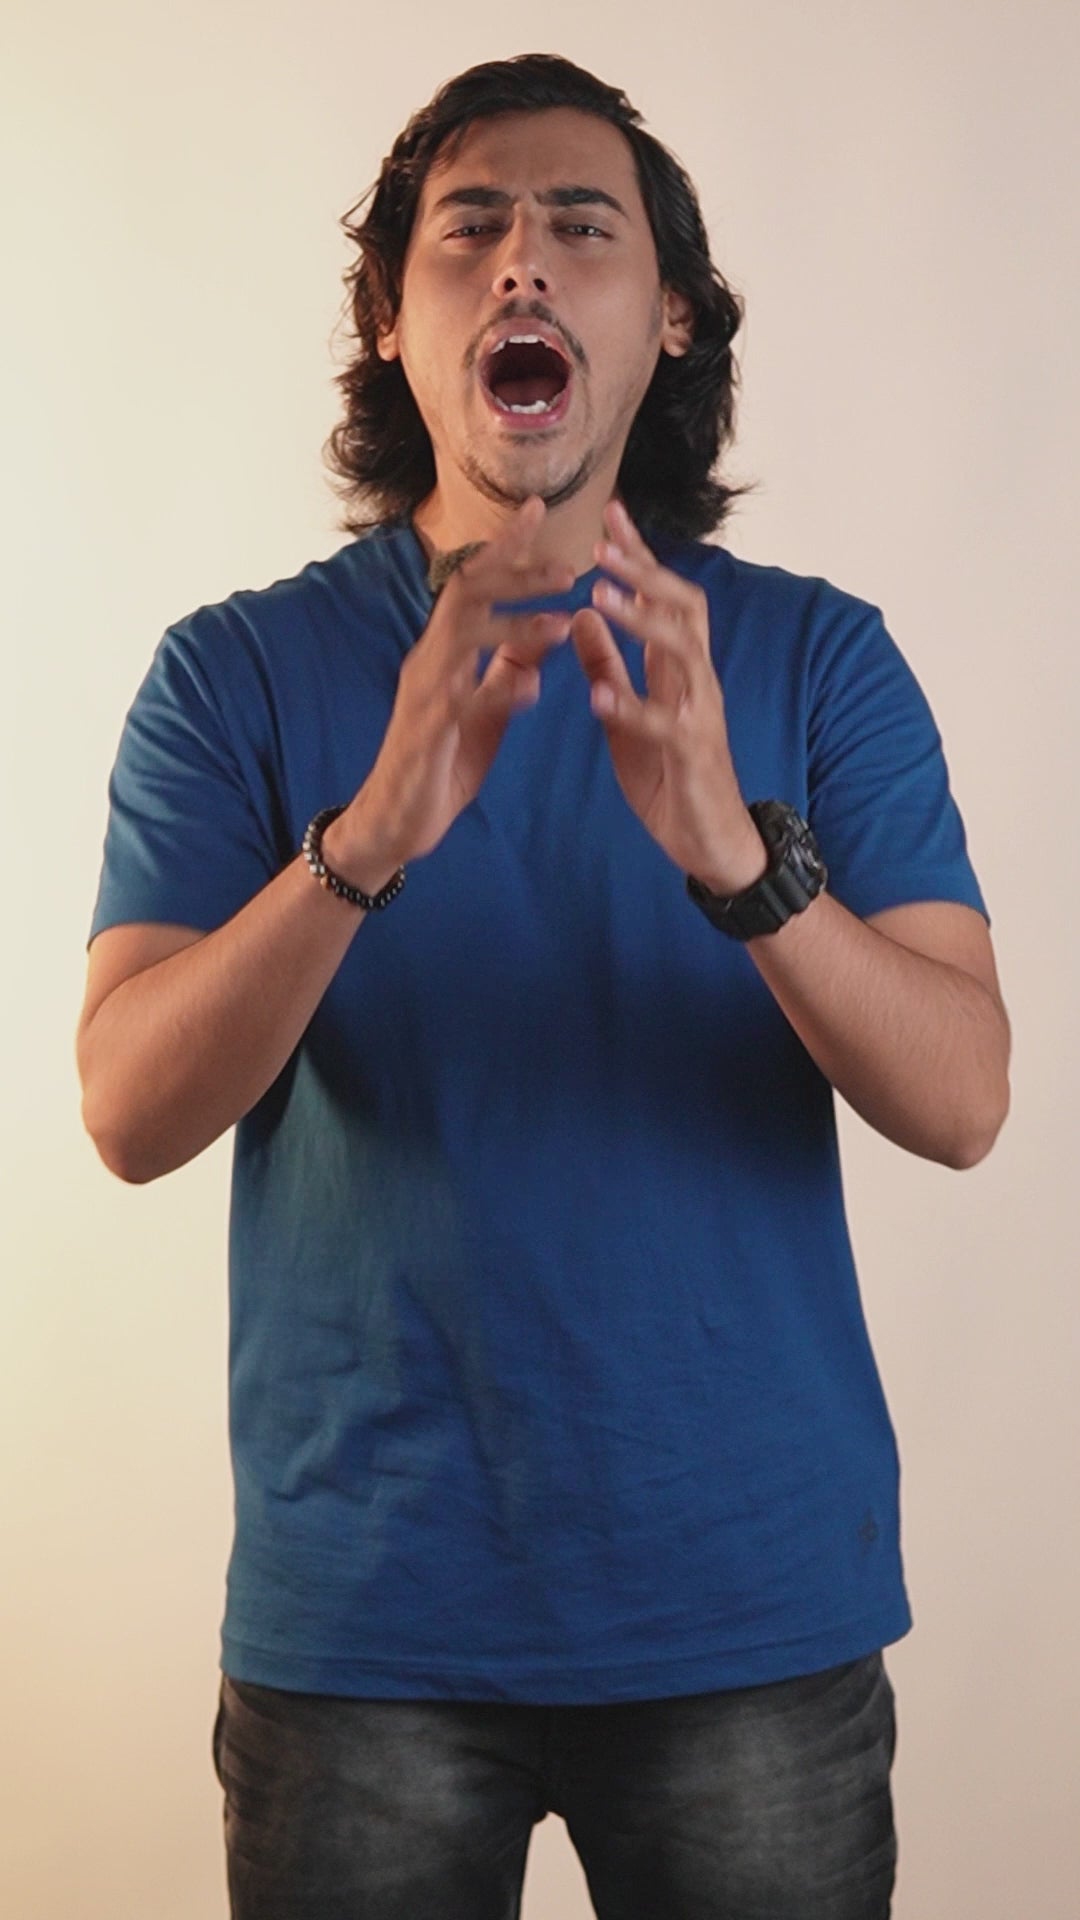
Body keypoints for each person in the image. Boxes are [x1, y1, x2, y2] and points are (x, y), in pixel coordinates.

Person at [77, 51, 1010, 1920]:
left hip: (749, 1615)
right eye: (469, 229)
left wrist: (738, 860)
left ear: (669, 316)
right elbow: (128, 1109)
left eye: (584, 226)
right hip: (366, 1629)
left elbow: (965, 1097)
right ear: (391, 318)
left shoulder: (819, 661)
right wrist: (371, 833)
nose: (522, 260)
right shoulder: (231, 676)